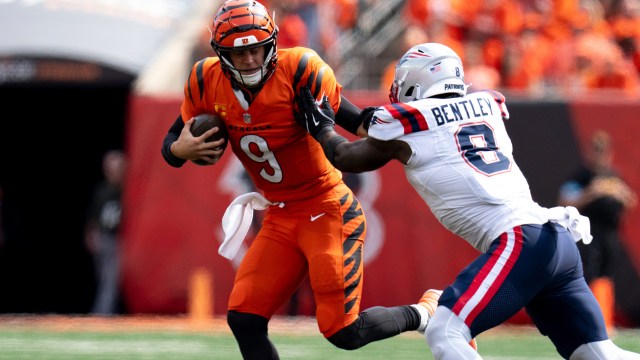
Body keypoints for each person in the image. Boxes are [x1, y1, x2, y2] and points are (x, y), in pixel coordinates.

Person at [293, 42, 640, 359]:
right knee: (598, 355)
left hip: (520, 242)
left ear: (417, 82)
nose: (397, 92)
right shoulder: (486, 105)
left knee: (446, 331)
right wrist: (334, 107)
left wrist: (322, 128)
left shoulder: (411, 124)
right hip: (554, 239)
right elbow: (386, 129)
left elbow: (349, 157)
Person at [160, 1, 443, 358]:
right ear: (220, 53)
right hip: (279, 214)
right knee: (244, 318)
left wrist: (414, 129)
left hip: (327, 208)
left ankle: (427, 312)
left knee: (344, 332)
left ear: (272, 42)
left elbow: (355, 120)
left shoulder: (299, 69)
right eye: (238, 52)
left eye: (256, 49)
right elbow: (170, 145)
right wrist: (178, 151)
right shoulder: (205, 79)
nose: (249, 59)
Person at [558, 130, 637, 331]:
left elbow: (631, 201)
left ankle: (604, 319)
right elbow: (566, 201)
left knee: (606, 274)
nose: (600, 156)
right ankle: (585, 319)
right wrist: (593, 192)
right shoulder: (582, 177)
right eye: (596, 151)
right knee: (588, 274)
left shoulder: (613, 176)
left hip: (610, 233)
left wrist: (618, 192)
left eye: (603, 151)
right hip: (589, 233)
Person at [85, 149, 127, 316]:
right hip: (104, 237)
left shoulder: (130, 190)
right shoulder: (102, 191)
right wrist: (91, 234)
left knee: (111, 277)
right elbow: (93, 216)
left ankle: (102, 313)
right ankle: (107, 312)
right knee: (105, 277)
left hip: (119, 239)